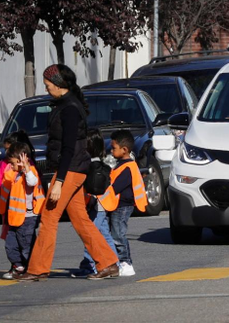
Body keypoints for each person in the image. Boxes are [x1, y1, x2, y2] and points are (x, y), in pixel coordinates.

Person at [15, 64, 118, 281]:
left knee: (49, 218)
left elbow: (69, 148)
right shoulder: (65, 105)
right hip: (74, 169)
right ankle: (108, 262)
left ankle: (37, 269)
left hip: (69, 170)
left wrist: (59, 180)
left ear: (59, 84)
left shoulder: (70, 108)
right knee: (80, 219)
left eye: (48, 84)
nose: (46, 88)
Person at [70, 129, 118, 278]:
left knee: (90, 235)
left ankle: (90, 265)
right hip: (104, 204)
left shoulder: (87, 165)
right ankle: (114, 264)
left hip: (95, 204)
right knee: (104, 234)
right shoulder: (101, 163)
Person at [0, 142, 45, 280]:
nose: (10, 166)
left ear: (21, 161)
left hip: (28, 218)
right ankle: (18, 266)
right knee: (11, 244)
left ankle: (32, 268)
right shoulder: (16, 175)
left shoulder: (30, 173)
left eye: (12, 163)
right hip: (15, 218)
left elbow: (32, 182)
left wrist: (26, 168)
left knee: (26, 245)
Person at [106, 129, 148, 277]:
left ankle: (126, 263)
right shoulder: (122, 165)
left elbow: (116, 187)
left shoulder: (127, 167)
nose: (111, 151)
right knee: (116, 233)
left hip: (123, 206)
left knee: (118, 234)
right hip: (119, 205)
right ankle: (122, 261)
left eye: (113, 148)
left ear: (124, 150)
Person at [0, 131, 35, 225]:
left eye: (8, 149)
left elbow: (32, 181)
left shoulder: (25, 165)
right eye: (6, 149)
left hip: (20, 206)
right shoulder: (5, 162)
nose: (6, 152)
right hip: (7, 202)